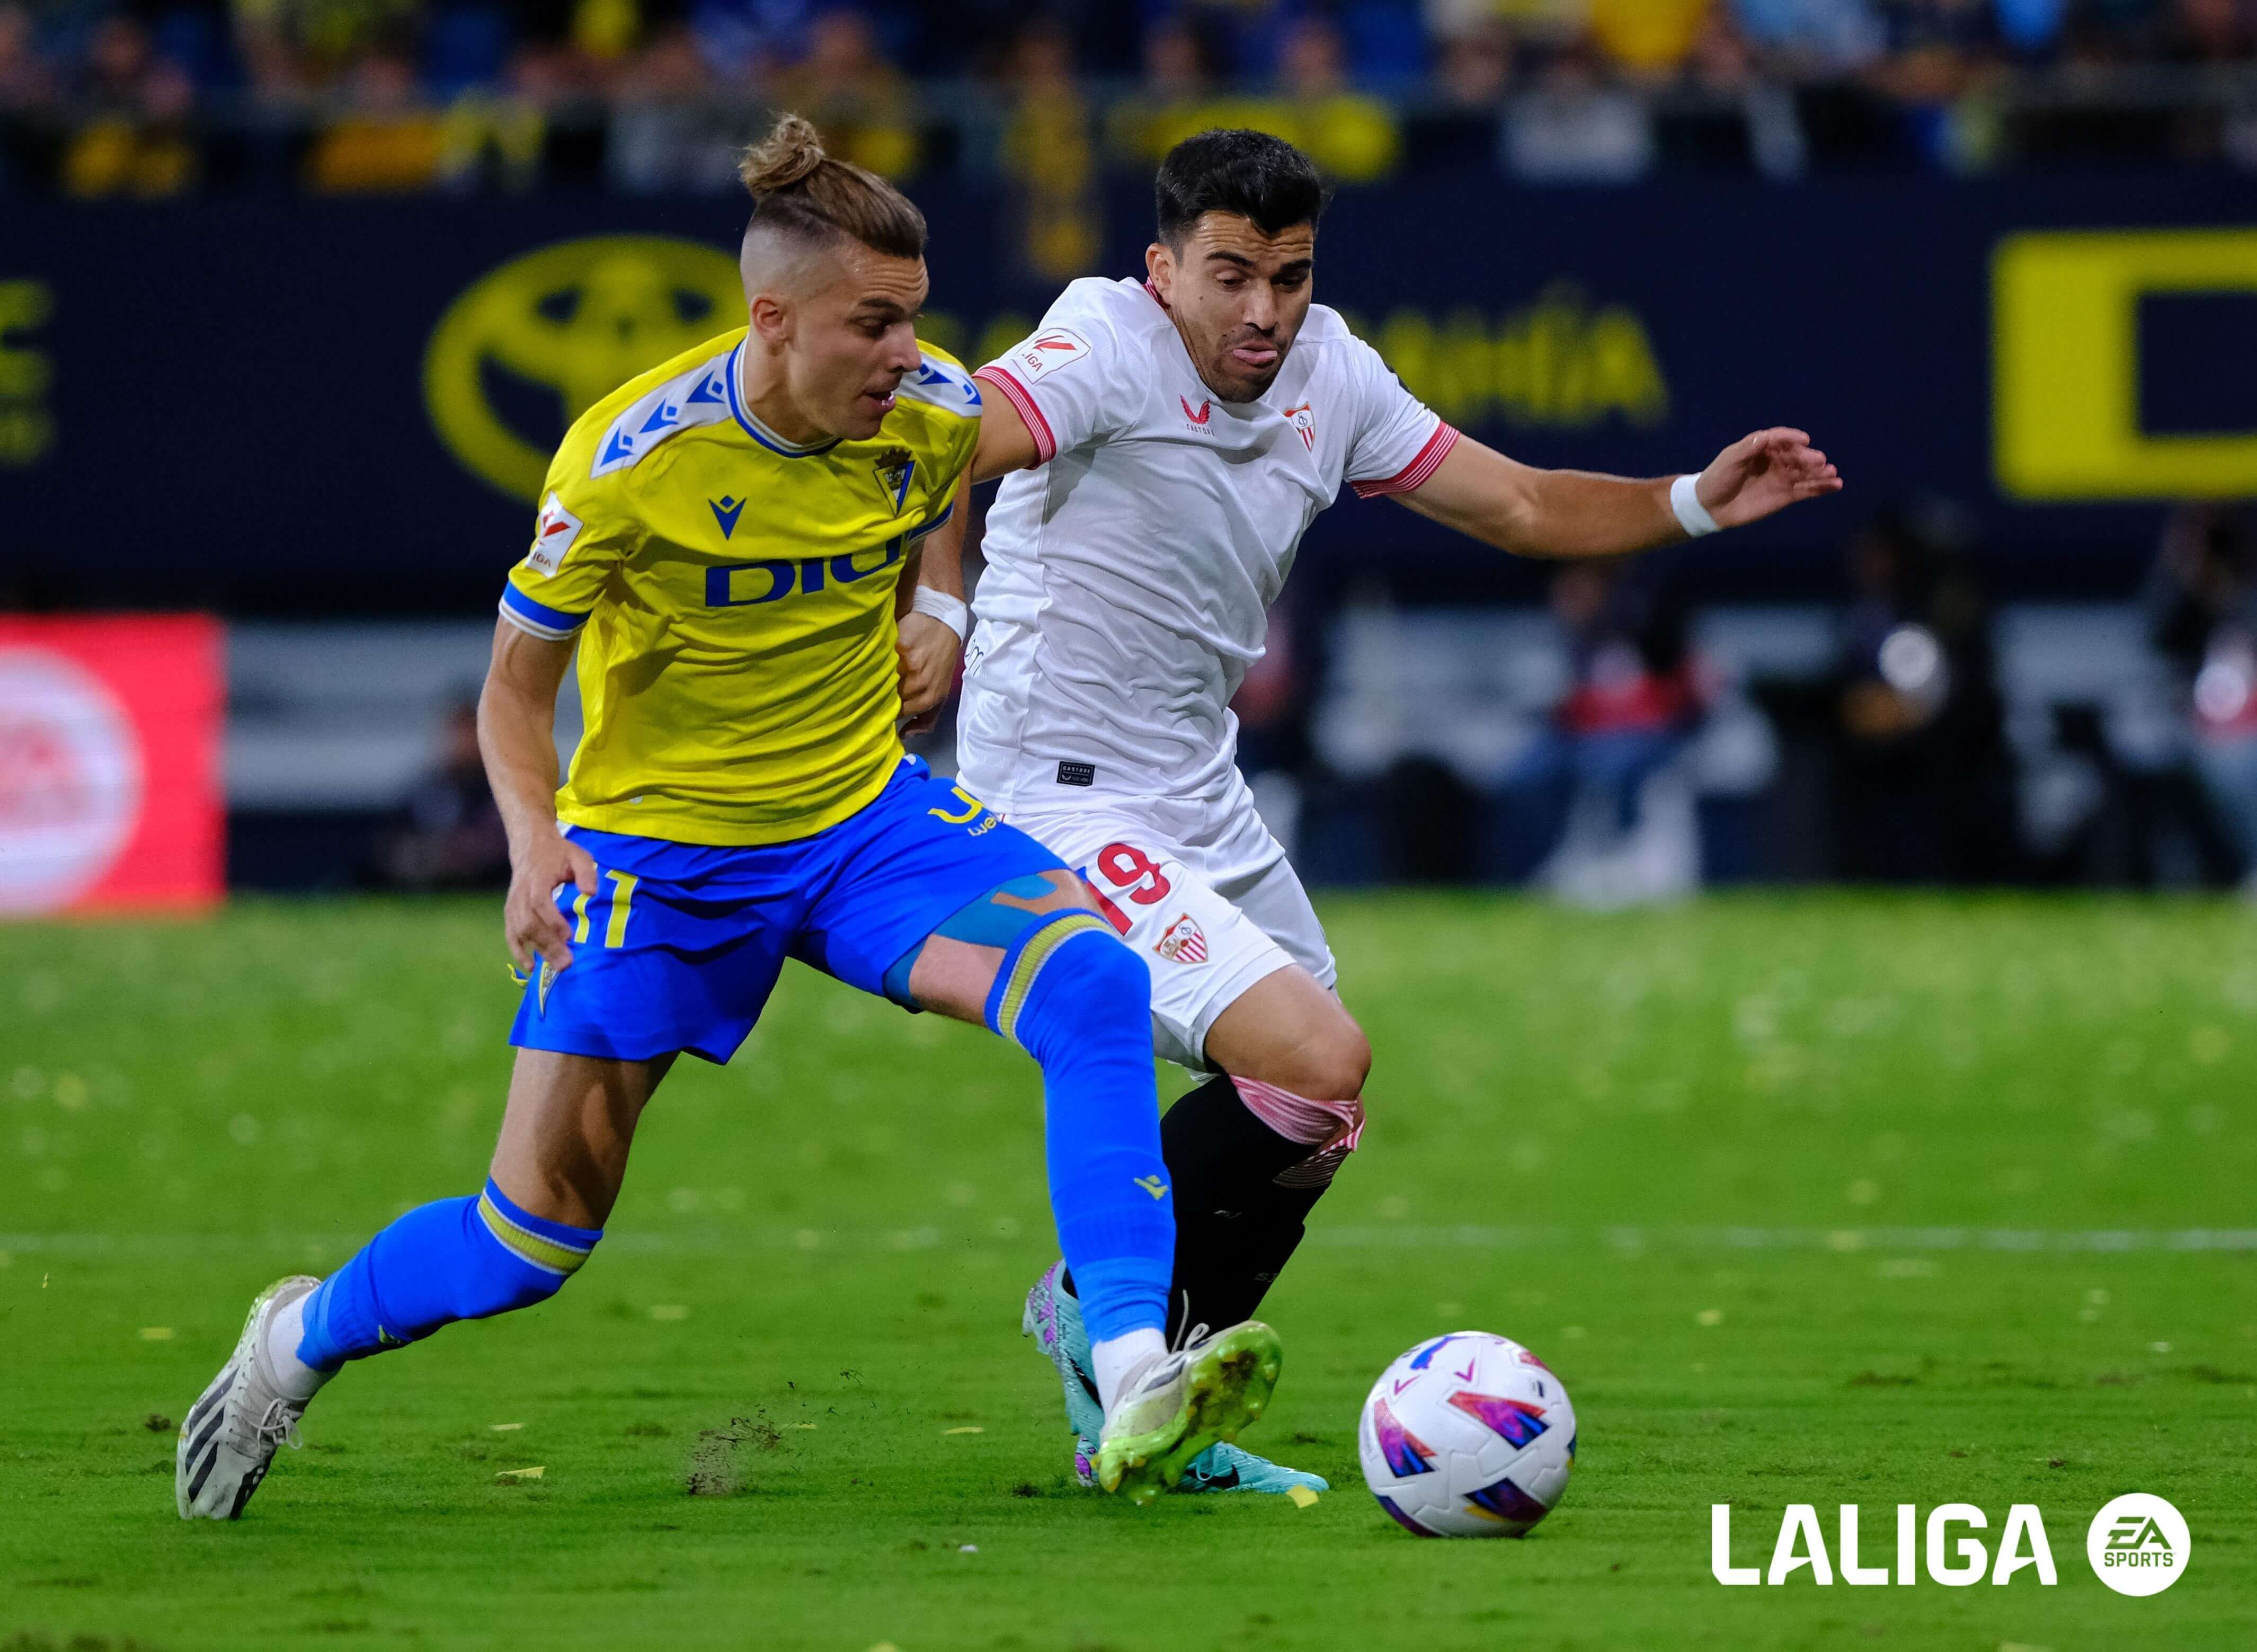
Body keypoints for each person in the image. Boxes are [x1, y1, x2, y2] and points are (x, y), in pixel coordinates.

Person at [177, 114, 1280, 1523]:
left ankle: (1131, 1366)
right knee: (529, 1242)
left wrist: (936, 609)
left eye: (914, 319)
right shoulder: (627, 462)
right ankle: (294, 1342)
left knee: (1093, 980)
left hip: (863, 825)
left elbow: (938, 490)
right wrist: (533, 846)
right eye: (872, 324)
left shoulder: (927, 410)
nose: (907, 354)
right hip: (663, 865)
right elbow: (513, 697)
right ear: (772, 319)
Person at [898, 128, 1840, 1494]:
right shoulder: (1103, 340)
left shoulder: (1329, 371)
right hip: (1053, 795)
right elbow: (940, 440)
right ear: (1164, 271)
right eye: (1231, 276)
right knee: (1314, 1057)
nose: (1263, 312)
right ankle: (1099, 1321)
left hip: (1197, 792)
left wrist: (1693, 501)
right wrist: (938, 601)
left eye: (1287, 276)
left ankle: (1157, 1400)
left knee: (1312, 1105)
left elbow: (1516, 503)